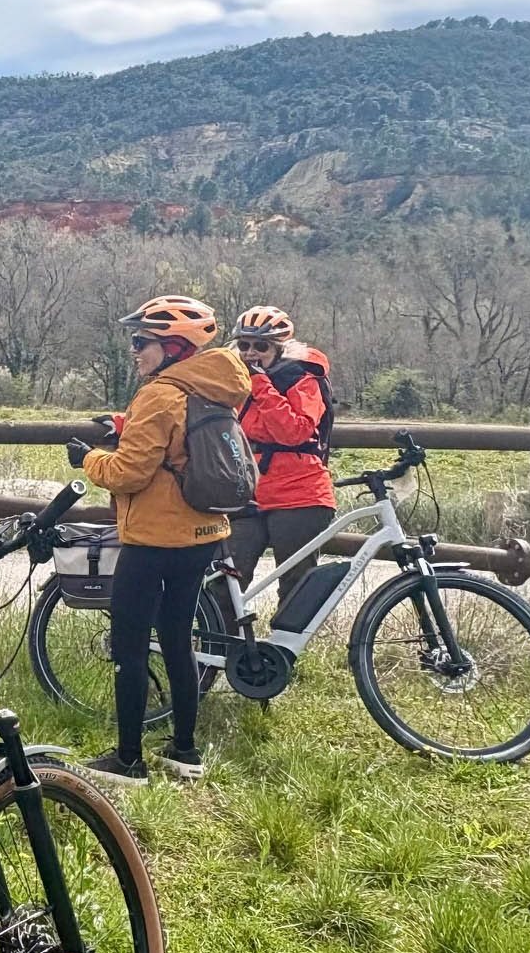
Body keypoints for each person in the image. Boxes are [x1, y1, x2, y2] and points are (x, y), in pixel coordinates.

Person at [67, 295, 248, 785]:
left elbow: (128, 472)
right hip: (204, 532)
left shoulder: (159, 393)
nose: (134, 350)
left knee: (129, 644)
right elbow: (182, 440)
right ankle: (185, 751)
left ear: (172, 345)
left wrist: (88, 460)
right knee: (176, 635)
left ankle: (128, 760)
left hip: (153, 537)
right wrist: (128, 427)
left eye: (141, 341)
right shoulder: (215, 385)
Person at [230, 305, 335, 605]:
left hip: (300, 494)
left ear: (279, 348)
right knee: (225, 581)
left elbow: (294, 432)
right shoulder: (235, 382)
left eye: (261, 346)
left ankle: (282, 649)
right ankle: (224, 649)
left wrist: (261, 384)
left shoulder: (303, 379)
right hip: (248, 492)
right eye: (244, 345)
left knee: (295, 585)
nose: (251, 353)